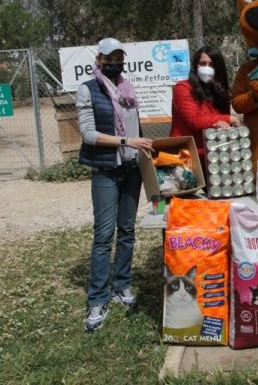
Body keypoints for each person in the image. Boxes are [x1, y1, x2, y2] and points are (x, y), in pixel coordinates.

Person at [77, 37, 156, 332]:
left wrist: (142, 149)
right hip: (106, 171)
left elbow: (135, 127)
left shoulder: (127, 88)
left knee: (127, 231)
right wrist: (126, 141)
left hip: (132, 169)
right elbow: (88, 134)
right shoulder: (88, 89)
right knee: (103, 235)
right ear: (99, 60)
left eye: (119, 57)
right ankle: (97, 298)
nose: (115, 63)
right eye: (109, 57)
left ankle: (122, 285)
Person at [169, 45, 241, 171]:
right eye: (202, 63)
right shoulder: (183, 88)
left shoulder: (220, 92)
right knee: (189, 189)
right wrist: (229, 118)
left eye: (211, 64)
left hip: (213, 157)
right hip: (186, 156)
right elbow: (195, 120)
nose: (206, 68)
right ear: (195, 66)